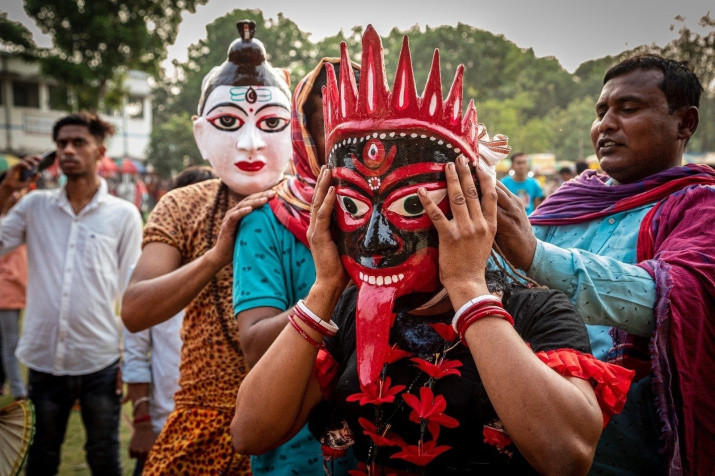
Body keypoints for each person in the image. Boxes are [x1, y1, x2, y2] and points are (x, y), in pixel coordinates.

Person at [231, 27, 633, 475]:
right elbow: (250, 432)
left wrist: (466, 287)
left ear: (468, 206)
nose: (374, 240)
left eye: (409, 205)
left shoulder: (537, 311)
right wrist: (326, 287)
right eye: (354, 206)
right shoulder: (348, 311)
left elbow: (568, 457)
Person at [494, 54, 715, 475]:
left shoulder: (700, 208)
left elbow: (668, 300)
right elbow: (506, 283)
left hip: (633, 450)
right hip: (532, 425)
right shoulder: (568, 201)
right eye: (601, 111)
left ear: (685, 123)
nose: (605, 125)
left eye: (627, 109)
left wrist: (537, 257)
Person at [121, 21, 297, 475]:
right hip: (206, 411)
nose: (251, 143)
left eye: (272, 123)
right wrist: (214, 257)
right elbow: (136, 310)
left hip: (298, 411)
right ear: (201, 134)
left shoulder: (318, 205)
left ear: (294, 132)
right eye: (228, 123)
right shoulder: (183, 205)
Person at [233, 58, 359, 475]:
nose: (356, 139)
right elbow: (254, 346)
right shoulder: (267, 221)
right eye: (334, 124)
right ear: (306, 134)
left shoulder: (408, 218)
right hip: (296, 453)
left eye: (365, 120)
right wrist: (333, 288)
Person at [0, 111, 143, 475]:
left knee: (103, 457)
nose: (68, 150)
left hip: (101, 360)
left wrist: (132, 360)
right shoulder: (34, 207)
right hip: (44, 361)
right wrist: (6, 191)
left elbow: (132, 290)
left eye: (79, 142)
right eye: (61, 143)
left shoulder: (123, 215)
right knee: (42, 458)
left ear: (100, 151)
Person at [122, 166, 216, 475]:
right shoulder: (149, 273)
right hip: (164, 426)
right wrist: (142, 424)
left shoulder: (244, 264)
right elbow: (135, 353)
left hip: (225, 431)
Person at [0, 190, 28, 401]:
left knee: (8, 342)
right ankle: (19, 391)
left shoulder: (18, 222)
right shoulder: (7, 227)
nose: (18, 195)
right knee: (11, 345)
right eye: (14, 191)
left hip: (15, 292)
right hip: (7, 292)